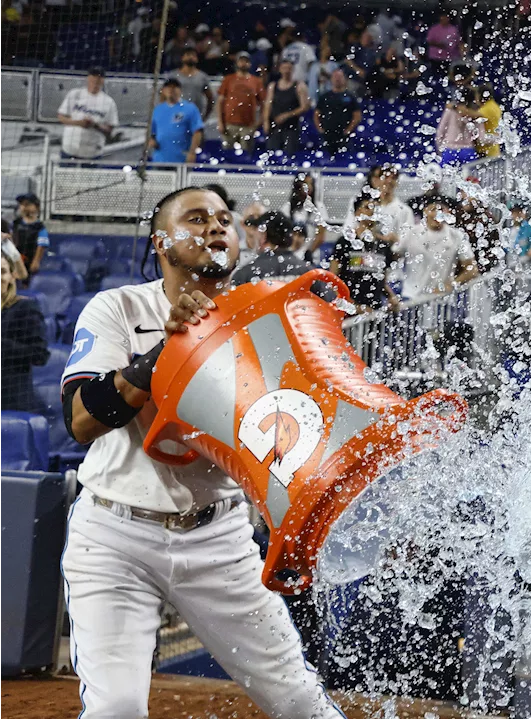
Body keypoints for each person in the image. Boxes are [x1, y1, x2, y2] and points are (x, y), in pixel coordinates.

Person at [59, 186, 344, 719]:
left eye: (223, 219)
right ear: (161, 241)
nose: (216, 226)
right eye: (196, 218)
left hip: (219, 538)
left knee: (301, 703)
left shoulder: (266, 316)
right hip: (115, 536)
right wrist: (168, 353)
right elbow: (81, 420)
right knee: (115, 708)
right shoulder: (119, 307)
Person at [327, 192, 400, 313]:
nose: (372, 211)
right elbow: (333, 279)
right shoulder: (345, 242)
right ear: (357, 213)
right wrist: (352, 307)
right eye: (367, 207)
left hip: (372, 313)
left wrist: (391, 297)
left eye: (376, 208)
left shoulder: (383, 246)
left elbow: (381, 281)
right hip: (348, 313)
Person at [399, 195, 479, 299]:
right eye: (433, 210)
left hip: (439, 298)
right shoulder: (411, 232)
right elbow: (394, 256)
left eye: (441, 210)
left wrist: (452, 284)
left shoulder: (456, 236)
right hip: (410, 296)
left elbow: (472, 269)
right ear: (425, 211)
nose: (437, 214)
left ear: (448, 213)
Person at [0, 253, 49, 412]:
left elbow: (39, 355)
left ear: (12, 276)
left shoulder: (25, 307)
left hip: (11, 403)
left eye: (2, 271)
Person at [57, 68, 119, 160]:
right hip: (69, 148)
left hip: (92, 152)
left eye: (98, 81)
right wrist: (79, 123)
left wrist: (94, 125)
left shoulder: (109, 102)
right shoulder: (75, 94)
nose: (95, 83)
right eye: (93, 80)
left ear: (102, 81)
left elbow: (110, 129)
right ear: (88, 79)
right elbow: (61, 117)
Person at [216, 52, 264, 151]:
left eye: (246, 61)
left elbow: (264, 103)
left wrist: (259, 122)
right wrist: (220, 122)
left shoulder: (256, 81)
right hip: (229, 124)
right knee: (227, 154)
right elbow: (220, 102)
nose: (243, 63)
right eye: (241, 61)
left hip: (248, 125)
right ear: (237, 63)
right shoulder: (228, 79)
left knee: (246, 155)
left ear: (250, 64)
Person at [148, 79, 203, 165]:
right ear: (163, 91)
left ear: (180, 90)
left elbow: (197, 132)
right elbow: (152, 132)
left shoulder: (190, 108)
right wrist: (151, 141)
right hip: (160, 159)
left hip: (181, 159)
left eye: (174, 87)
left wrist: (192, 152)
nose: (171, 90)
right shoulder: (158, 110)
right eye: (168, 87)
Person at [263, 59, 310, 156]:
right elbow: (268, 105)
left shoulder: (299, 86)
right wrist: (266, 121)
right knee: (272, 154)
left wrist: (287, 115)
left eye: (289, 68)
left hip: (291, 128)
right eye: (284, 68)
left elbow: (304, 107)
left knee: (289, 155)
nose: (286, 71)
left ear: (292, 70)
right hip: (275, 126)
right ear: (280, 69)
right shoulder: (273, 86)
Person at [313, 69, 361, 155]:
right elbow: (316, 114)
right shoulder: (325, 97)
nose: (337, 79)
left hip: (344, 135)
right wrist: (320, 129)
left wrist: (348, 131)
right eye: (335, 77)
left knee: (345, 157)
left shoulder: (350, 97)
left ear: (344, 79)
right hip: (327, 134)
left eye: (340, 77)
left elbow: (357, 116)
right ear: (331, 79)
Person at [436, 89, 483, 166]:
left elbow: (440, 132)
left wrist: (440, 150)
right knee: (470, 177)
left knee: (447, 177)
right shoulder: (476, 115)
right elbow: (480, 137)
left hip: (450, 150)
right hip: (468, 151)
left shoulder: (450, 111)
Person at [167, 47, 215, 119]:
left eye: (193, 55)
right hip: (176, 115)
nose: (191, 57)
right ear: (182, 58)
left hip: (195, 115)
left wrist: (205, 116)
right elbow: (165, 95)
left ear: (197, 59)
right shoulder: (173, 76)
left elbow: (210, 97)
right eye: (188, 55)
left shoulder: (202, 77)